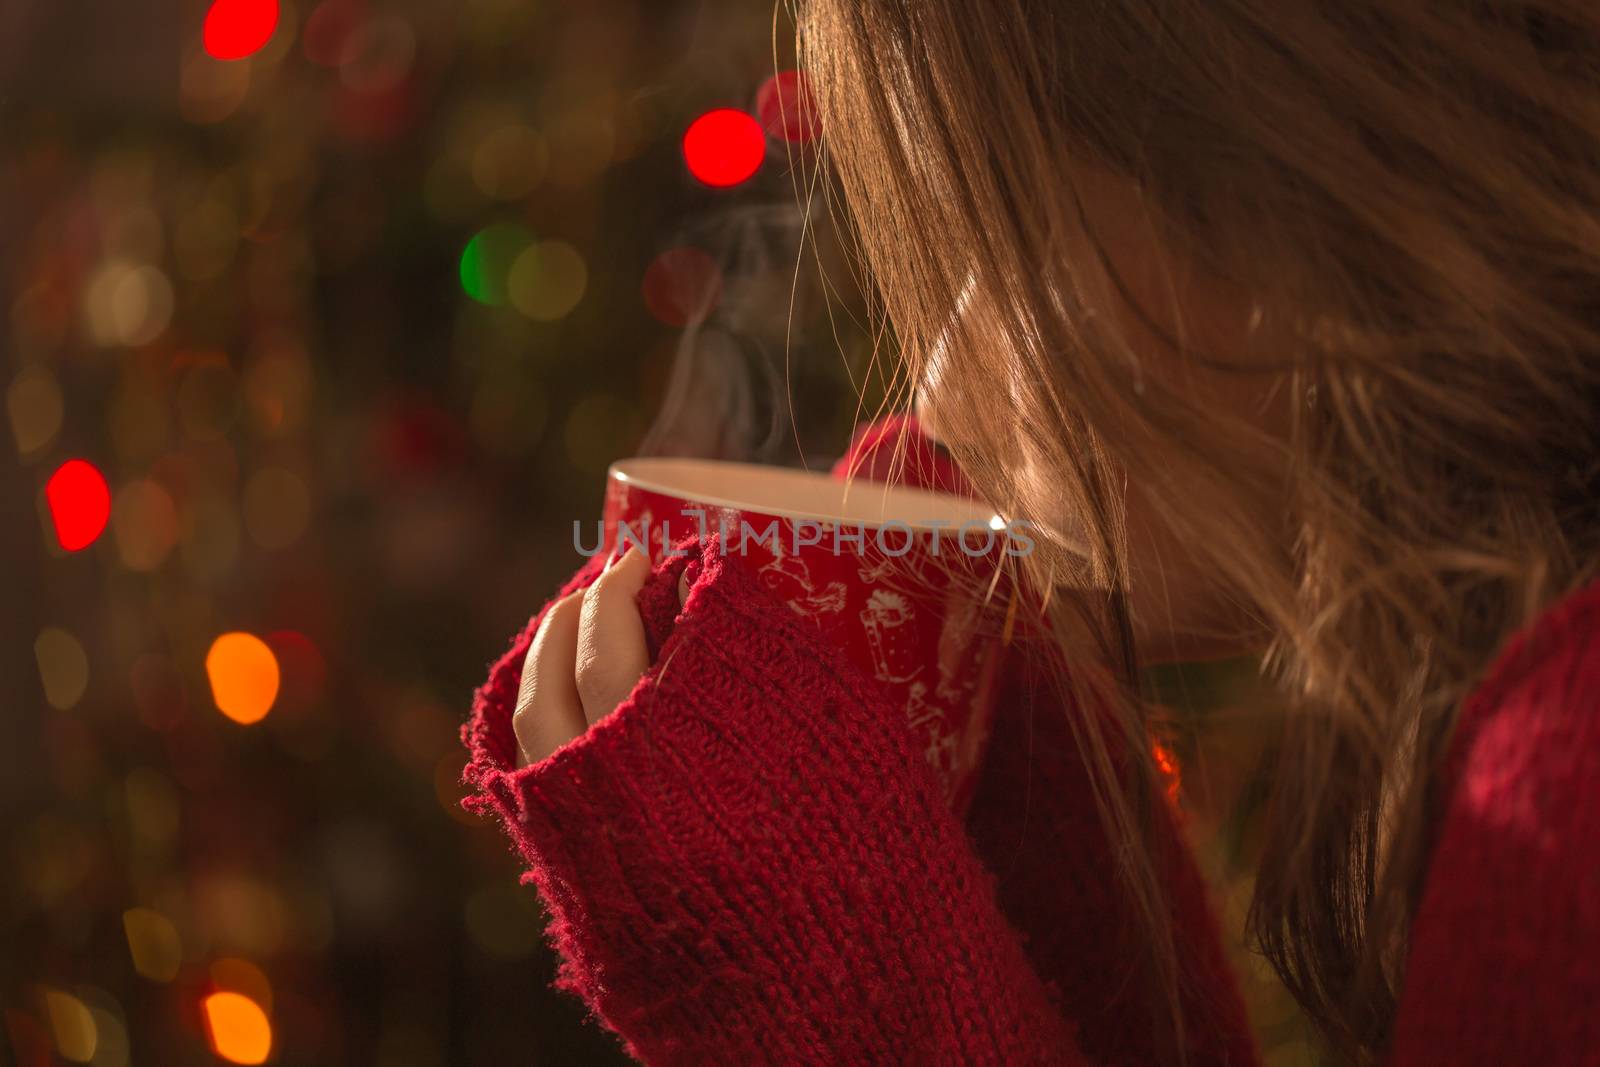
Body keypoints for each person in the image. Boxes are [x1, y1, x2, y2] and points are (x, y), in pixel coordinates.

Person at [461, 2, 1600, 1064]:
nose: (942, 399)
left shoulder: (1561, 807)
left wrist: (830, 987)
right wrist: (1029, 827)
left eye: (1011, 256)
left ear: (1310, 181)